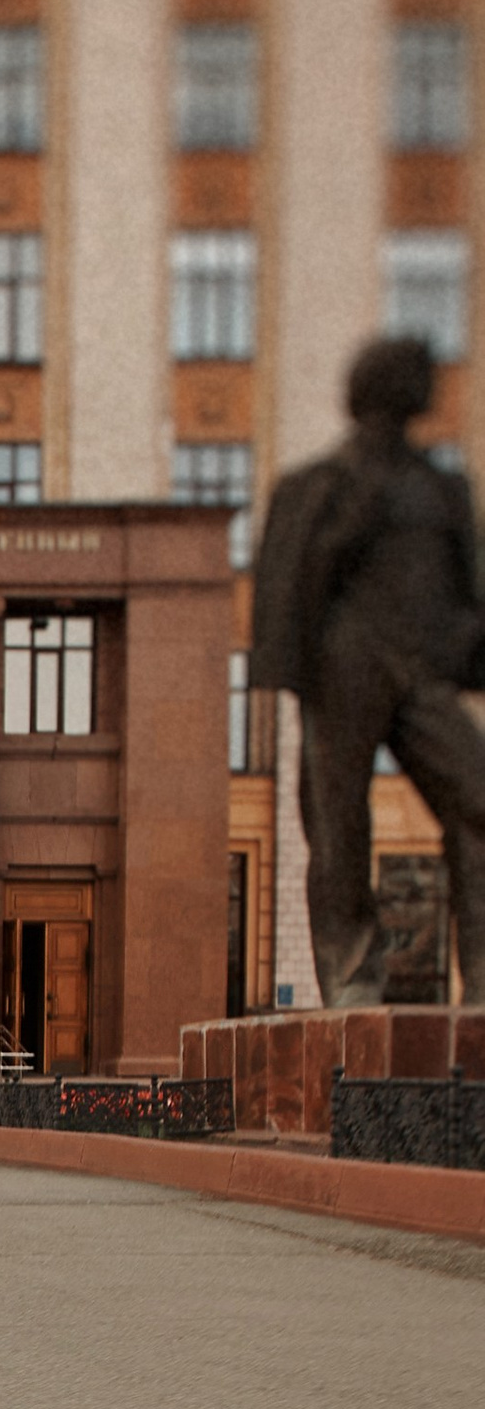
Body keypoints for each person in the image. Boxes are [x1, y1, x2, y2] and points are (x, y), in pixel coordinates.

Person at [251, 334, 485, 1007]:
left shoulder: (444, 486)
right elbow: (289, 586)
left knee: (477, 801)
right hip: (346, 668)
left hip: (425, 669)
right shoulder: (322, 483)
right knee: (338, 824)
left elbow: (467, 588)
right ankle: (354, 980)